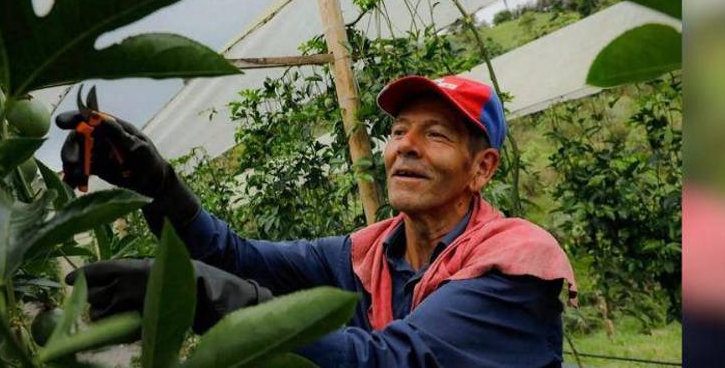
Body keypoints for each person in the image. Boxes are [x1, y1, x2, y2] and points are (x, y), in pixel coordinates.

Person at [56, 75, 576, 368]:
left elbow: (387, 364)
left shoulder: (513, 266)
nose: (406, 148)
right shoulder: (372, 254)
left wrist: (203, 297)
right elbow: (235, 257)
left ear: (481, 169)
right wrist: (158, 186)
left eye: (436, 135)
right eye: (398, 131)